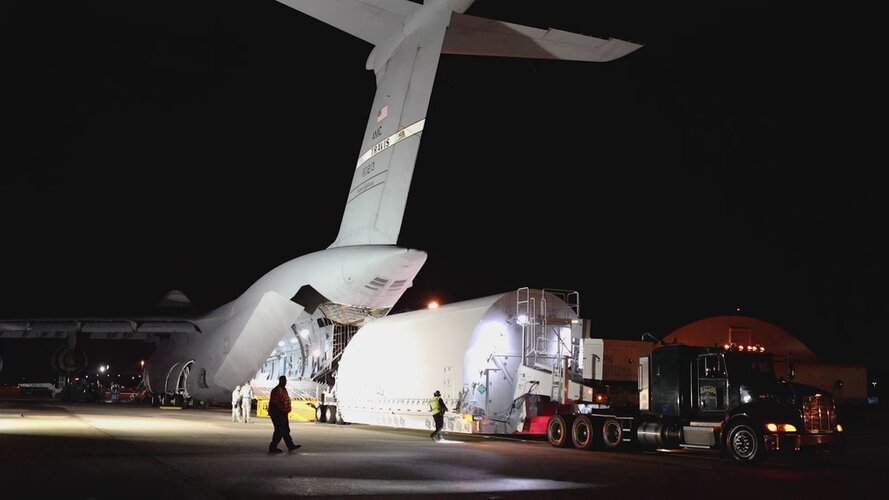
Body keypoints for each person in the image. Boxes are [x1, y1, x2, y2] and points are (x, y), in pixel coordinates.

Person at [268, 375, 301, 454]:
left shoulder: (283, 390)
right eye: (284, 381)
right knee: (279, 430)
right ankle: (273, 447)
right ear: (280, 381)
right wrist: (280, 413)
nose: (285, 382)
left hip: (283, 413)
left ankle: (290, 445)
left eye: (286, 381)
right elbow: (274, 404)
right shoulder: (277, 390)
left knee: (286, 430)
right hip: (278, 413)